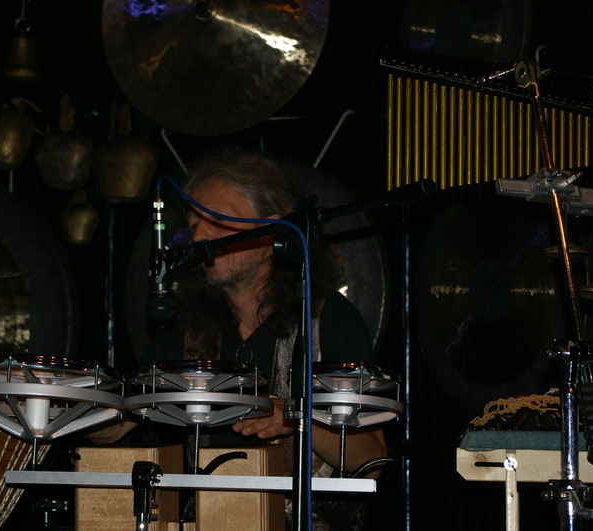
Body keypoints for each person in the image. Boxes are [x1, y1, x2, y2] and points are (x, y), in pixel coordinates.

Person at [89, 147, 387, 482]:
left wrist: (295, 417)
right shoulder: (189, 333)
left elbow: (372, 461)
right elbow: (112, 428)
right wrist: (65, 402)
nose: (199, 236)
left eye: (216, 219)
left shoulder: (327, 317)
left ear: (271, 231)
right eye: (193, 225)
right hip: (210, 511)